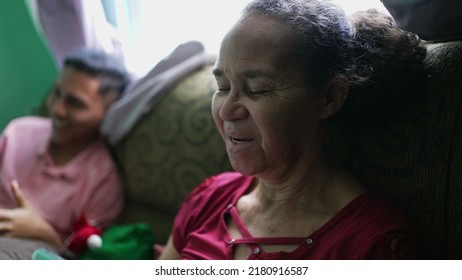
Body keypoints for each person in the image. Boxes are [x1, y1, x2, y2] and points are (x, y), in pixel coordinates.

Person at [159, 0, 426, 260]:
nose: (226, 111)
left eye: (257, 89)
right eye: (223, 87)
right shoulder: (210, 197)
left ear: (329, 97)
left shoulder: (372, 244)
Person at [0, 48, 130, 259]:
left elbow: (85, 262)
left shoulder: (103, 181)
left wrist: (43, 232)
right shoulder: (18, 132)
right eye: (56, 93)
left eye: (75, 103)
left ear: (109, 112)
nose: (57, 110)